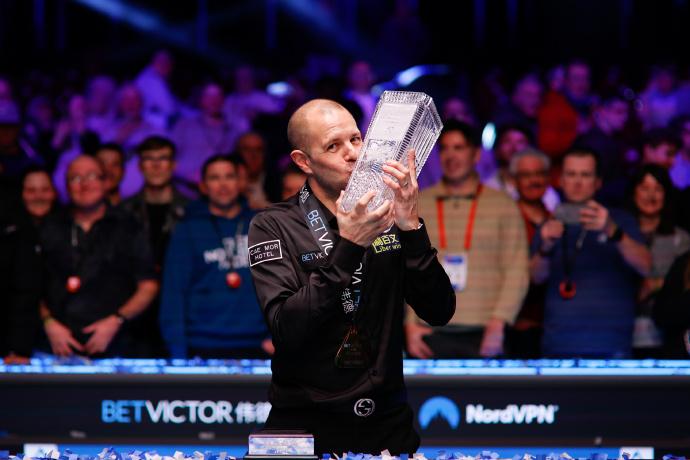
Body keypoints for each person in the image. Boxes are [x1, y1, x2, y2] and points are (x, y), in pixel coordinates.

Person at [248, 99, 454, 455]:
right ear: (303, 161)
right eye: (333, 146)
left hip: (387, 424)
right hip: (305, 425)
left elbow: (439, 311)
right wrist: (350, 246)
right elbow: (286, 328)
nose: (354, 154)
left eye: (356, 139)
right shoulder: (273, 224)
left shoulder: (388, 214)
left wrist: (411, 227)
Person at [405, 120, 528, 359]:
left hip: (485, 329)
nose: (451, 155)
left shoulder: (502, 204)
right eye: (445, 148)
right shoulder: (418, 202)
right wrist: (409, 322)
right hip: (428, 329)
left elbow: (517, 269)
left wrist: (499, 322)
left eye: (459, 148)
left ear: (476, 154)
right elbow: (406, 266)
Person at [531, 149, 651, 358]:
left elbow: (646, 266)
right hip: (559, 344)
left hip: (611, 344)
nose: (578, 182)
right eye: (571, 174)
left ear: (598, 182)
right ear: (561, 180)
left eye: (585, 175)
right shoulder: (549, 224)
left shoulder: (620, 220)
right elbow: (535, 277)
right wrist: (546, 246)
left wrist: (612, 231)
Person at [39, 155, 158, 357]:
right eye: (75, 178)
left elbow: (149, 285)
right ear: (66, 187)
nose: (84, 184)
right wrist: (48, 322)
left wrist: (116, 320)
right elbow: (28, 284)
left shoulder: (129, 226)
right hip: (53, 346)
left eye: (92, 176)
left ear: (106, 182)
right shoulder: (49, 226)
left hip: (118, 346)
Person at [160, 154, 270, 359]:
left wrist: (279, 336)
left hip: (258, 343)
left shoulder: (262, 224)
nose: (223, 184)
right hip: (202, 344)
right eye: (214, 178)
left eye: (229, 176)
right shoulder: (187, 229)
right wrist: (178, 353)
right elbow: (173, 293)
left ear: (240, 182)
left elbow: (282, 284)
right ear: (203, 186)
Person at [121, 136, 188, 357]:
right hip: (133, 304)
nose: (156, 166)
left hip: (180, 305)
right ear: (140, 166)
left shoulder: (191, 210)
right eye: (149, 159)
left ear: (173, 165)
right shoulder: (124, 211)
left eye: (163, 159)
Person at [628, 165, 690, 357]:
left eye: (658, 189)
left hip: (666, 335)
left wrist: (655, 284)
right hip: (622, 330)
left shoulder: (680, 238)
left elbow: (685, 285)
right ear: (633, 192)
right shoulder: (621, 235)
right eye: (645, 188)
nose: (651, 196)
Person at [0, 166, 58, 363]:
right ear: (21, 194)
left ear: (55, 193)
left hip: (64, 342)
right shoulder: (8, 236)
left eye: (45, 190)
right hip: (15, 346)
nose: (38, 196)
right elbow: (17, 295)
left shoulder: (70, 230)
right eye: (31, 190)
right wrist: (15, 347)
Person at [506, 148, 552, 358]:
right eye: (526, 175)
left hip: (549, 326)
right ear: (514, 180)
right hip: (511, 325)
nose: (534, 180)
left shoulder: (557, 219)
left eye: (539, 174)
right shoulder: (504, 219)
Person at [171, 83, 241, 184]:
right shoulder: (184, 125)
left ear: (223, 100)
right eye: (209, 96)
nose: (214, 101)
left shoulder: (232, 131)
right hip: (184, 185)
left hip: (217, 188)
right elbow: (168, 156)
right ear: (201, 100)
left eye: (218, 96)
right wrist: (186, 175)